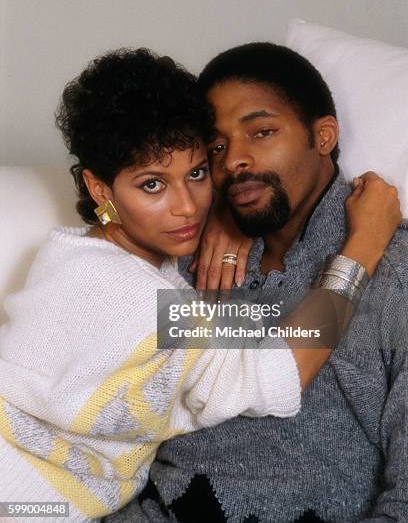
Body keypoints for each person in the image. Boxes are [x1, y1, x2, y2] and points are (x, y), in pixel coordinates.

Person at [0, 48, 400, 522]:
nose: (187, 207)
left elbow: (263, 320)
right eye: (153, 185)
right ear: (100, 189)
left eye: (196, 173)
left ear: (324, 135)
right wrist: (362, 248)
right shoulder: (124, 289)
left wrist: (231, 215)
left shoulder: (146, 262)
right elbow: (271, 365)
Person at [118, 43, 408, 523]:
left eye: (262, 131)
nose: (235, 161)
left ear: (324, 136)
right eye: (216, 146)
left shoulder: (394, 272)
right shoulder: (195, 256)